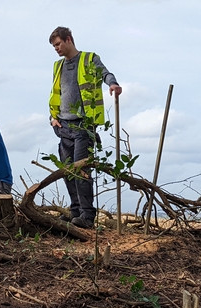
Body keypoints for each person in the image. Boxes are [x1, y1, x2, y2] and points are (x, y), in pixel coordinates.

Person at [48, 26, 123, 229]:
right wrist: (52, 118)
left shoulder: (89, 59)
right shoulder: (57, 66)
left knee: (82, 172)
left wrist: (113, 84)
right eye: (54, 46)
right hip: (63, 126)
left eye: (58, 44)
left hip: (84, 126)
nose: (56, 48)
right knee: (67, 172)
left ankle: (87, 217)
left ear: (69, 39)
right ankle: (75, 213)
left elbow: (105, 73)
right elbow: (56, 94)